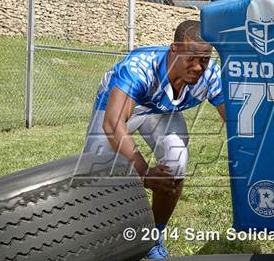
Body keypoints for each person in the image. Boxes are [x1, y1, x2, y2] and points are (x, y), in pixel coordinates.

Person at [82, 20, 225, 259]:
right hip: (125, 108)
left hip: (162, 111)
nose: (198, 67)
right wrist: (144, 173)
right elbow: (113, 123)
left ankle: (153, 236)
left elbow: (232, 120)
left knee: (176, 161)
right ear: (174, 49)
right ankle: (97, 236)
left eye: (204, 59)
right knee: (98, 172)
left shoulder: (210, 74)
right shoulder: (141, 67)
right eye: (191, 57)